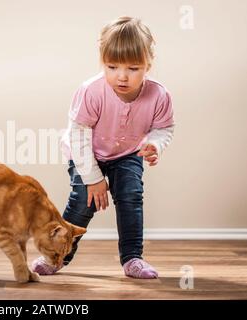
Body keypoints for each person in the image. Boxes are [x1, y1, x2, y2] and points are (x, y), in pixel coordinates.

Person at [32, 16, 175, 279]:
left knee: (131, 197)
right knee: (81, 204)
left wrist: (155, 143)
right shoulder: (91, 91)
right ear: (102, 61)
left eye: (133, 68)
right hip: (87, 153)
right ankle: (56, 256)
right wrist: (94, 178)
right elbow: (78, 135)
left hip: (127, 154)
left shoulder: (159, 95)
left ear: (148, 64)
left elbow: (164, 127)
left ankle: (132, 258)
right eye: (112, 66)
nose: (121, 76)